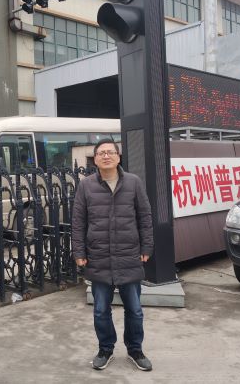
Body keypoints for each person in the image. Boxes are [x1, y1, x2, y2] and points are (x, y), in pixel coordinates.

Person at [71, 138, 154, 372]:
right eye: (101, 153)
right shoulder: (86, 186)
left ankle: (135, 350)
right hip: (98, 256)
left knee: (135, 309)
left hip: (129, 255)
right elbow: (78, 222)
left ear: (118, 157)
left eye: (110, 152)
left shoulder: (134, 182)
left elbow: (145, 217)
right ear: (95, 159)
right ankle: (105, 349)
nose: (106, 156)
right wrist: (79, 251)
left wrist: (147, 247)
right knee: (100, 310)